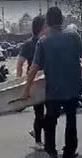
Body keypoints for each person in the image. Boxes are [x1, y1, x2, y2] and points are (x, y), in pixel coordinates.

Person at [22, 6, 82, 158]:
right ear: (62, 20)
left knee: (51, 120)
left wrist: (26, 90)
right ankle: (69, 152)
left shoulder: (43, 41)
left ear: (48, 22)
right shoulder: (73, 36)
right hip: (72, 88)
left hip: (53, 90)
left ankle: (51, 152)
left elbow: (33, 68)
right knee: (71, 119)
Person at [16, 15, 48, 150]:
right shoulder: (29, 44)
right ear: (41, 27)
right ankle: (38, 141)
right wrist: (19, 81)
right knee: (39, 111)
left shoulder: (47, 41)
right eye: (46, 25)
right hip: (34, 81)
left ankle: (38, 131)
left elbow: (19, 64)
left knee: (51, 110)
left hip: (46, 80)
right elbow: (20, 63)